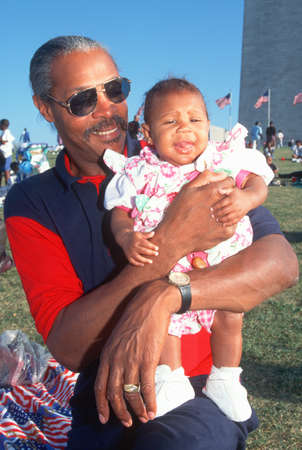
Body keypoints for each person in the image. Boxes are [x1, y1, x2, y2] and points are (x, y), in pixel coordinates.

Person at [4, 36, 298, 450]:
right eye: (82, 99)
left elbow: (280, 265)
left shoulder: (188, 160)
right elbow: (69, 345)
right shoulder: (33, 202)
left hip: (198, 386)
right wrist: (168, 245)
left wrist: (164, 298)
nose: (107, 109)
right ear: (44, 107)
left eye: (115, 90)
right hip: (105, 391)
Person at [103, 78, 274, 421]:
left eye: (195, 120)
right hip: (169, 267)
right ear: (148, 133)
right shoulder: (139, 171)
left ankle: (225, 377)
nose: (185, 130)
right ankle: (171, 377)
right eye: (171, 122)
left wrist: (246, 198)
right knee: (164, 321)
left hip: (224, 269)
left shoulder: (221, 159)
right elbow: (118, 212)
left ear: (209, 127)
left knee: (230, 317)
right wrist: (125, 238)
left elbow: (258, 182)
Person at [0, 119, 15, 186]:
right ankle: (6, 184)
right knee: (4, 169)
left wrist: (0, 140)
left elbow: (5, 141)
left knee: (6, 169)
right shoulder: (4, 133)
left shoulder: (7, 132)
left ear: (4, 125)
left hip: (6, 154)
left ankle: (8, 184)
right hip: (3, 154)